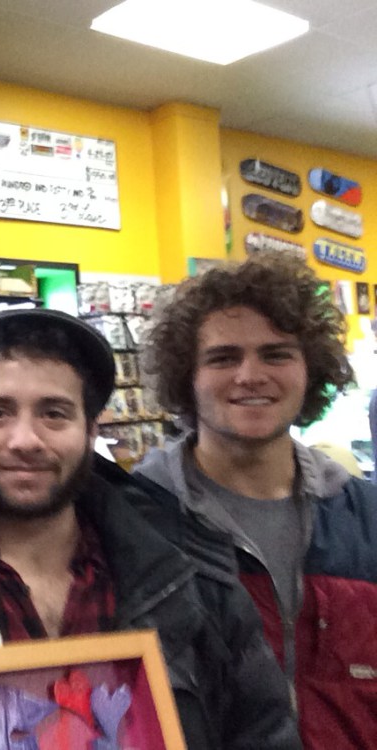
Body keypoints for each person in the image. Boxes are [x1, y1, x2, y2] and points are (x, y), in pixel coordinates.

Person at [0, 307, 299, 750]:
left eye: (54, 413)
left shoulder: (189, 571)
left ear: (91, 430)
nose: (25, 440)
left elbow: (263, 733)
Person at [135, 251, 377, 749]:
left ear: (310, 369)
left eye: (276, 354)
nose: (250, 375)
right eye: (223, 358)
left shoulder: (364, 517)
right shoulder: (138, 522)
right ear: (187, 376)